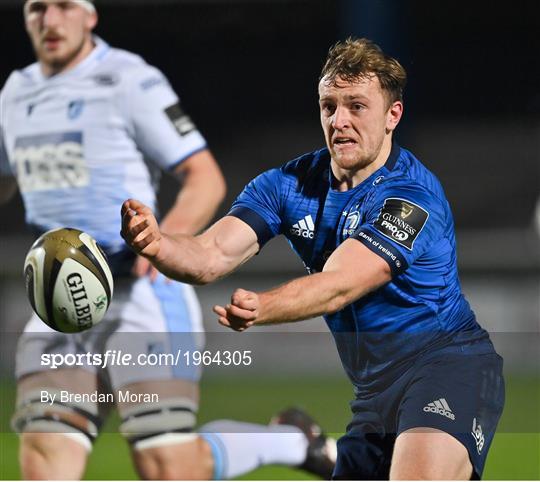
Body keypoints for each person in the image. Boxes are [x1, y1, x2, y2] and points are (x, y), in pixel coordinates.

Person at [122, 37, 506, 480]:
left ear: (392, 116)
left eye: (356, 106)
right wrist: (157, 244)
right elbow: (210, 254)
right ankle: (315, 450)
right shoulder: (287, 185)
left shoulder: (411, 196)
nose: (339, 121)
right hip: (373, 392)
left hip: (447, 365)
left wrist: (264, 307)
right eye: (329, 106)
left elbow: (340, 284)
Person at [0, 0, 336, 479]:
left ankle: (290, 441)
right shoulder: (15, 93)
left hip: (140, 295)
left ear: (90, 15)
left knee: (170, 468)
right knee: (44, 459)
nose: (50, 20)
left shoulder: (127, 79)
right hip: (57, 301)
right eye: (37, 8)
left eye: (64, 6)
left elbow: (204, 178)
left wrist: (161, 248)